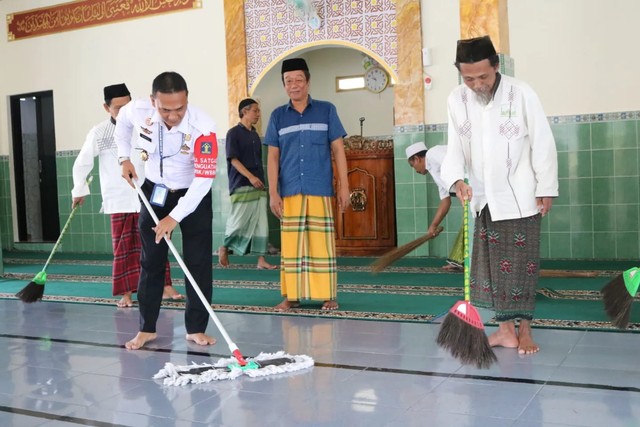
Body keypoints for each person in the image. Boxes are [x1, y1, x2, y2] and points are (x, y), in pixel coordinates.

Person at [441, 36, 558, 355]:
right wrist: (455, 180)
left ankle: (525, 331)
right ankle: (505, 331)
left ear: (496, 66)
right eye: (469, 78)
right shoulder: (456, 99)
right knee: (491, 270)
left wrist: (546, 186)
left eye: (483, 76)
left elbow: (542, 142)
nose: (477, 84)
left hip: (521, 196)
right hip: (482, 198)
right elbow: (454, 148)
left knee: (522, 266)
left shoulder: (521, 93)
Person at [115, 71, 218, 350]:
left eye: (180, 109)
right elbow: (121, 125)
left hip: (192, 196)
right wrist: (124, 158)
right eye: (165, 109)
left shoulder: (204, 127)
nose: (173, 116)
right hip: (156, 192)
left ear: (187, 101)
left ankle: (195, 328)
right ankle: (146, 328)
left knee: (197, 262)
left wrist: (175, 216)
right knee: (151, 260)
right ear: (152, 101)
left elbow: (204, 179)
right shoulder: (137, 109)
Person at [71, 83, 182, 308]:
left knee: (158, 240)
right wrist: (79, 190)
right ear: (106, 108)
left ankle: (165, 286)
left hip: (149, 194)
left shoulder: (146, 124)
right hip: (119, 198)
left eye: (127, 105)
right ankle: (126, 293)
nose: (123, 112)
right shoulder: (99, 132)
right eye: (117, 108)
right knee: (123, 249)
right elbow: (82, 162)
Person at [264, 57, 350, 311]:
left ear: (308, 82)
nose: (294, 85)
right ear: (284, 85)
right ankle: (291, 296)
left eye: (299, 80)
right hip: (289, 189)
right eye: (288, 81)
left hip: (320, 187)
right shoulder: (278, 116)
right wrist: (272, 193)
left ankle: (328, 295)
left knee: (321, 246)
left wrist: (344, 186)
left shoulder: (326, 110)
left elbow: (338, 149)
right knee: (291, 248)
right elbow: (272, 156)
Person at [218, 98, 277, 270]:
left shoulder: (254, 135)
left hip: (259, 184)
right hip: (242, 183)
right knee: (239, 220)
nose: (258, 114)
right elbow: (233, 160)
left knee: (261, 223)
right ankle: (224, 247)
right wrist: (250, 177)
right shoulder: (233, 133)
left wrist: (259, 179)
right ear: (245, 111)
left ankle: (261, 260)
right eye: (255, 111)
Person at [405, 141, 464, 271]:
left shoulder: (432, 154)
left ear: (417, 158)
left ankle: (460, 261)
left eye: (412, 165)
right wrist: (433, 226)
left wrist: (461, 186)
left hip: (472, 189)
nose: (415, 170)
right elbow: (445, 201)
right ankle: (459, 261)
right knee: (469, 226)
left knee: (470, 226)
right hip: (467, 195)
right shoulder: (435, 173)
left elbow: (453, 165)